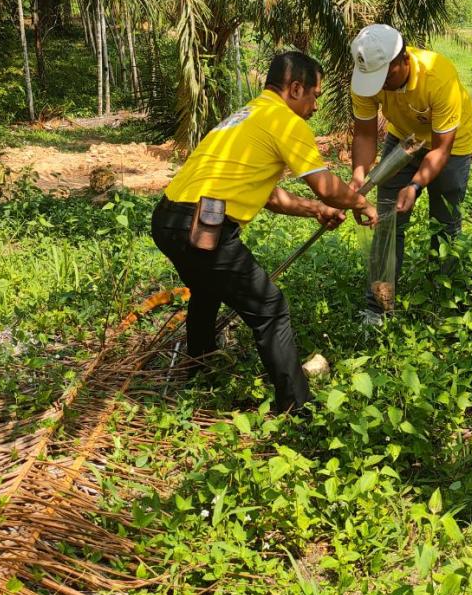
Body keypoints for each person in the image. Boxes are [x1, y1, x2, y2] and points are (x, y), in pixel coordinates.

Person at [151, 51, 377, 413]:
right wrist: (361, 204)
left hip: (168, 220)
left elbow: (269, 195)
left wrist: (315, 210)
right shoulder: (284, 121)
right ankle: (295, 406)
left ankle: (200, 368)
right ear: (296, 87)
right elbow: (326, 185)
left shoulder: (244, 116)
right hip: (202, 226)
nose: (315, 107)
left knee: (206, 290)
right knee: (270, 308)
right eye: (315, 96)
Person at [349, 23, 472, 322]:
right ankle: (378, 308)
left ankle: (445, 302)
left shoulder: (438, 77)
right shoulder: (366, 78)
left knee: (445, 224)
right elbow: (365, 135)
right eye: (373, 80)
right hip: (403, 138)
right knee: (386, 222)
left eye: (385, 77)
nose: (379, 87)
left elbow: (440, 150)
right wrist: (358, 176)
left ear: (403, 59)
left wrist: (416, 185)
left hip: (450, 143)